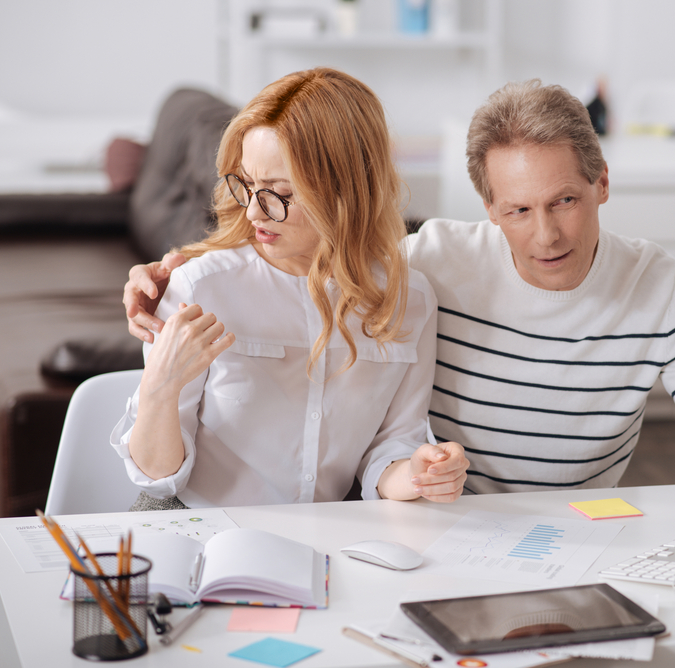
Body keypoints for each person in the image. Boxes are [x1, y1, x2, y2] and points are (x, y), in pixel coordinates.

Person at [125, 79, 675, 496]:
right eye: (518, 210)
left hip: (579, 529)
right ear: (488, 208)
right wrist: (183, 268)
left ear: (602, 184)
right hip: (443, 520)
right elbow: (324, 253)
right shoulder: (434, 261)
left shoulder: (661, 287)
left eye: (566, 201)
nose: (546, 234)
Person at [113, 68, 468, 511]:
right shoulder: (198, 286)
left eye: (280, 192)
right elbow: (158, 478)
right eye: (247, 185)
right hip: (194, 521)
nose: (256, 212)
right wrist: (160, 389)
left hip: (324, 530)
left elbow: (393, 445)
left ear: (347, 191)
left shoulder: (409, 300)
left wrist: (421, 474)